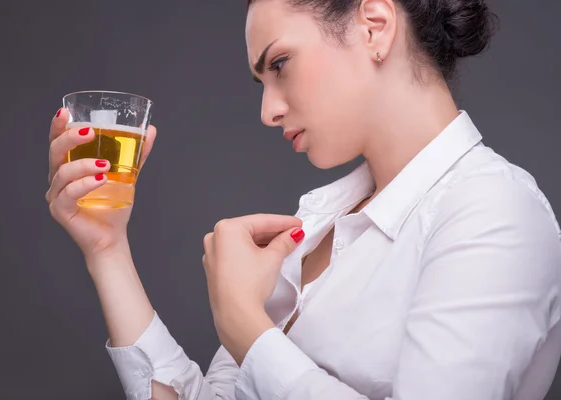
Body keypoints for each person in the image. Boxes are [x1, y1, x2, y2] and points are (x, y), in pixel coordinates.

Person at [46, 0, 561, 399]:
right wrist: (107, 250)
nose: (268, 110)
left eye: (281, 63)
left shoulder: (494, 211)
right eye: (260, 80)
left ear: (374, 26)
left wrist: (246, 328)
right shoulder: (315, 222)